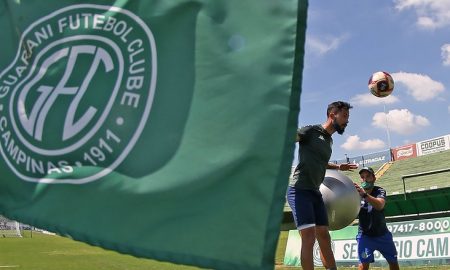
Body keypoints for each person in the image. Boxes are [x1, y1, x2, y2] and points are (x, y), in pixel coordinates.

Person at [287, 101, 358, 270]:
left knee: (324, 237)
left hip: (315, 192)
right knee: (309, 238)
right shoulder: (311, 131)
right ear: (332, 115)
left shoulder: (329, 141)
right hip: (299, 191)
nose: (347, 121)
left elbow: (322, 162)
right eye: (345, 116)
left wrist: (339, 167)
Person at [354, 167, 400, 270]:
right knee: (362, 266)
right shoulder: (355, 194)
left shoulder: (380, 191)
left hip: (383, 235)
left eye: (368, 176)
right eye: (362, 177)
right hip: (365, 236)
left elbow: (380, 205)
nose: (365, 179)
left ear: (374, 178)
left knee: (393, 263)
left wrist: (364, 195)